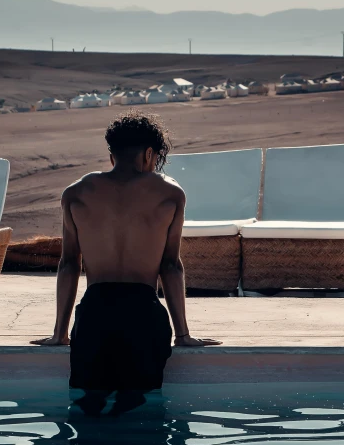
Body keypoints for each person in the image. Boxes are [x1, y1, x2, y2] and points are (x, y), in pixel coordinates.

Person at [31, 110, 221, 398]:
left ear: (112, 155)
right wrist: (182, 336)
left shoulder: (76, 192)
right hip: (143, 316)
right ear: (148, 154)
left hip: (94, 316)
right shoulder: (170, 193)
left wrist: (60, 334)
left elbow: (69, 264)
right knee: (141, 410)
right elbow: (171, 266)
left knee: (87, 409)